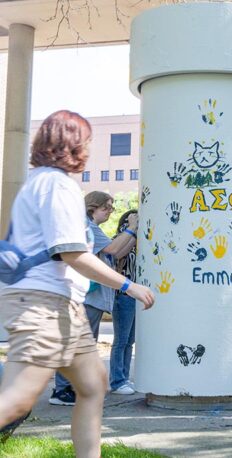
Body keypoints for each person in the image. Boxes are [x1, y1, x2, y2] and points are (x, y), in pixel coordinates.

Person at [0, 110, 155, 456]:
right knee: (15, 401)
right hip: (43, 303)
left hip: (59, 303)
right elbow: (72, 254)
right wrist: (128, 286)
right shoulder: (57, 185)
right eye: (85, 141)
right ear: (74, 145)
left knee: (92, 385)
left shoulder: (39, 182)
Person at [51, 191, 139, 405]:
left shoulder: (91, 228)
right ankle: (62, 390)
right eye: (106, 207)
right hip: (86, 296)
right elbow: (113, 248)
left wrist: (133, 233)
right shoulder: (87, 226)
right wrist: (132, 227)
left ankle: (70, 388)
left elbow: (116, 254)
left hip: (91, 297)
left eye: (111, 208)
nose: (110, 212)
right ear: (93, 207)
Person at [109, 210, 141, 394]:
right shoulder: (121, 239)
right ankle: (117, 380)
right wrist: (133, 228)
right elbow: (119, 255)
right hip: (123, 296)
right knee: (121, 340)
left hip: (135, 296)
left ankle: (124, 378)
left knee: (129, 340)